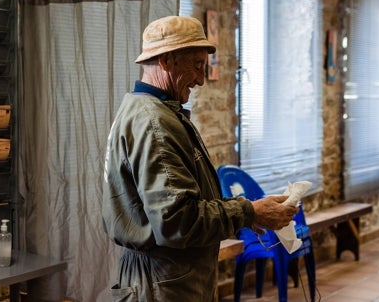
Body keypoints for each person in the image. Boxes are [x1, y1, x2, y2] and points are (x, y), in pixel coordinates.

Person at [102, 15, 298, 302]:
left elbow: (185, 203)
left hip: (168, 277)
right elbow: (177, 221)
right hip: (162, 284)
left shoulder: (153, 111)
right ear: (167, 61)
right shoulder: (155, 124)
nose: (200, 80)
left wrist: (247, 211)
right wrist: (249, 212)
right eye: (196, 66)